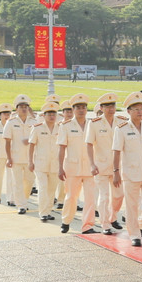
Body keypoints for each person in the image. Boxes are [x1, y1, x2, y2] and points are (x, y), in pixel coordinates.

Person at [112, 92, 142, 247]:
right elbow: (116, 151)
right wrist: (116, 172)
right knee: (131, 205)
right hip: (131, 173)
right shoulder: (122, 129)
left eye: (141, 108)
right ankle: (134, 234)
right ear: (129, 111)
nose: (140, 112)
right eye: (136, 109)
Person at [57, 94, 98, 234]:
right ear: (73, 109)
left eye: (84, 107)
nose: (81, 110)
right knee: (71, 197)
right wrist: (60, 168)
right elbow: (62, 148)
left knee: (90, 198)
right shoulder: (66, 126)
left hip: (89, 167)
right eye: (78, 108)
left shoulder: (93, 124)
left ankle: (88, 226)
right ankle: (66, 220)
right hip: (72, 167)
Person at [86, 93, 126, 235]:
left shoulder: (122, 122)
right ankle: (105, 224)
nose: (111, 108)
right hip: (101, 166)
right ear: (101, 108)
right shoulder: (95, 123)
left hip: (118, 167)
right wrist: (91, 164)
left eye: (113, 105)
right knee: (104, 197)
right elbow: (89, 144)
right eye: (107, 106)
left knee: (119, 196)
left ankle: (113, 216)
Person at [28, 102, 61, 222]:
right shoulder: (37, 128)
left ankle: (47, 211)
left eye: (54, 114)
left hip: (55, 164)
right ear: (44, 115)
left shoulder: (60, 127)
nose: (52, 116)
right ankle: (42, 213)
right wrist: (30, 161)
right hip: (40, 163)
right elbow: (31, 145)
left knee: (51, 190)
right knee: (42, 188)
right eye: (49, 114)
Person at [3, 95, 36, 213]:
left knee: (30, 180)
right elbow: (7, 141)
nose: (23, 109)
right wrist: (8, 158)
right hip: (16, 157)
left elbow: (39, 139)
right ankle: (21, 205)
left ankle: (24, 199)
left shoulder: (34, 122)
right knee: (17, 183)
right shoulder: (11, 122)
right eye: (21, 107)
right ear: (16, 109)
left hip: (30, 158)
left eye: (26, 107)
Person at [54, 100, 73, 210]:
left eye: (71, 111)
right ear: (63, 113)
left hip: (72, 156)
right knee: (61, 180)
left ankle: (68, 200)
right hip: (60, 154)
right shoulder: (58, 125)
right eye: (67, 111)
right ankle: (60, 200)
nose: (69, 114)